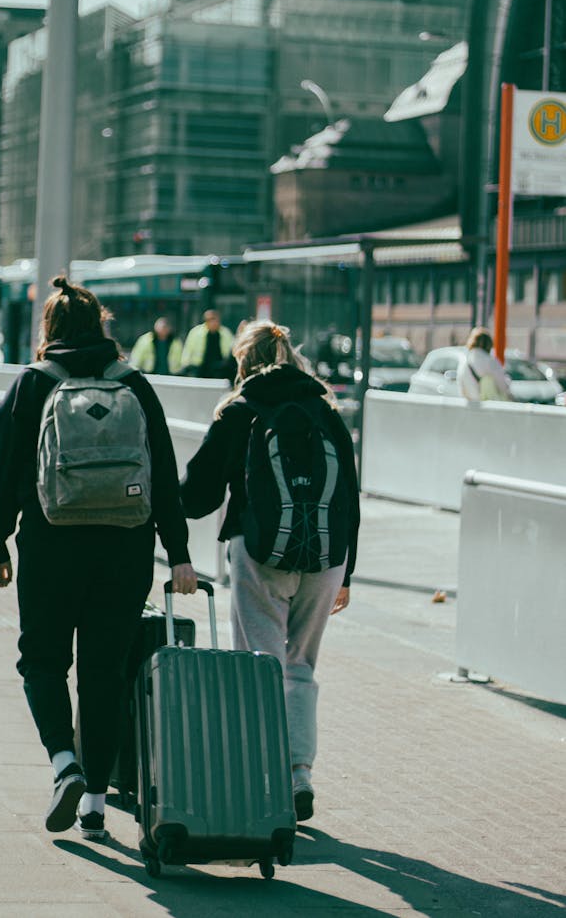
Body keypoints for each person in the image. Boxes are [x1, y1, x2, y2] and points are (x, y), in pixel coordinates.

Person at [0, 275, 197, 842]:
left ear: (49, 328)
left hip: (50, 547)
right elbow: (165, 475)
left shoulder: (32, 384)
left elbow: (1, 470)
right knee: (105, 672)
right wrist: (178, 553)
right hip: (126, 549)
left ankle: (63, 765)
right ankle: (97, 806)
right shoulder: (135, 385)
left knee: (43, 661)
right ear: (101, 325)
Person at [179, 320, 359, 824]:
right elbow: (350, 495)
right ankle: (299, 774)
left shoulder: (242, 409)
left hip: (259, 553)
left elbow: (199, 493)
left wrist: (164, 509)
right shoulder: (325, 411)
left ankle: (261, 779)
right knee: (299, 666)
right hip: (326, 558)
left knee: (261, 665)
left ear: (243, 361)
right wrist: (347, 573)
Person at [457, 327, 512, 402]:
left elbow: (461, 389)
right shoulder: (490, 361)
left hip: (470, 407)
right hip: (488, 407)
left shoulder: (464, 362)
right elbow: (503, 386)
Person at [180, 309, 235, 378]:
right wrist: (185, 365)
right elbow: (188, 349)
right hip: (199, 369)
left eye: (215, 319)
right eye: (210, 320)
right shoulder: (195, 332)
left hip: (220, 369)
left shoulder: (226, 333)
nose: (213, 322)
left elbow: (232, 351)